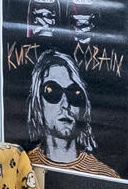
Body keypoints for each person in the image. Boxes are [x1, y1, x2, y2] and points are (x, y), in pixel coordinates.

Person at [25, 47, 119, 178]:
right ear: (37, 102)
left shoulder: (105, 176)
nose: (65, 105)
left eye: (74, 93)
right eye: (52, 91)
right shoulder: (23, 167)